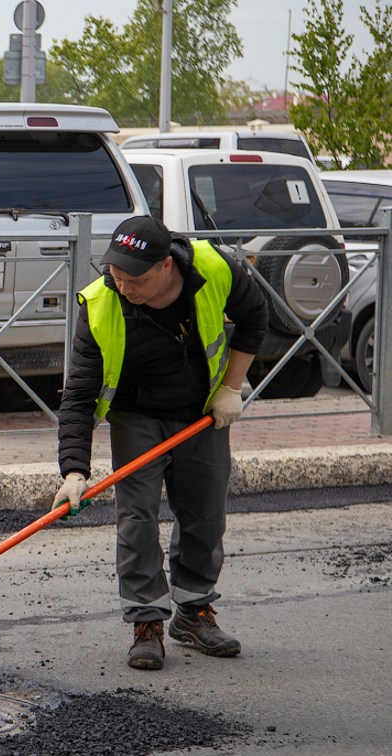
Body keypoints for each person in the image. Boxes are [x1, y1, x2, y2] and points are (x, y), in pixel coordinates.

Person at [54, 215, 268, 671]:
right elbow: (78, 395)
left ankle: (193, 612)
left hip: (202, 411)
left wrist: (232, 387)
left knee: (206, 514)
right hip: (137, 415)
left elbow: (256, 317)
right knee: (137, 518)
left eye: (135, 278)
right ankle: (146, 620)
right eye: (115, 273)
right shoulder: (100, 304)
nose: (123, 286)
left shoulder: (216, 268)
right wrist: (74, 471)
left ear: (166, 266)